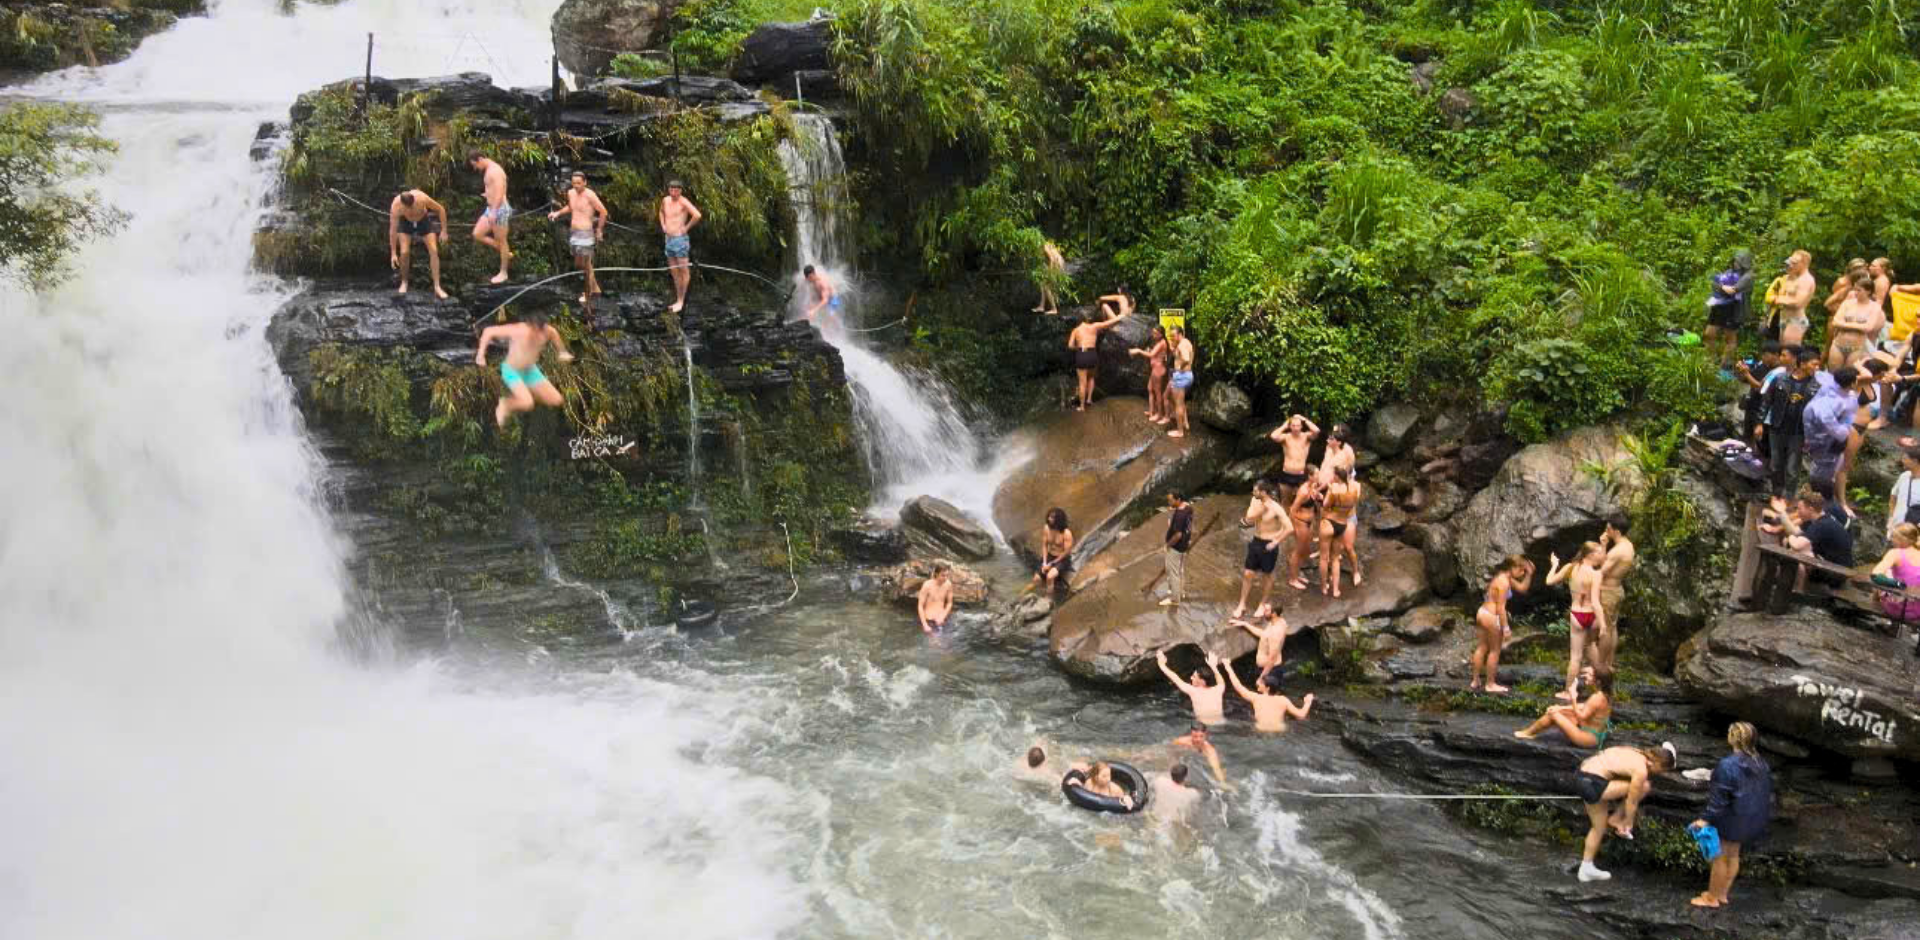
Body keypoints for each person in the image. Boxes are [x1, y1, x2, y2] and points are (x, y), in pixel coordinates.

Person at [1690, 723, 1772, 909]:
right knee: (1734, 855)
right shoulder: (1761, 762)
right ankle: (1722, 894)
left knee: (1719, 856)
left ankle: (1711, 898)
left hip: (1732, 817)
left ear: (1733, 738)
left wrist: (1704, 819)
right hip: (1753, 817)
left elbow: (1718, 800)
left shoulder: (1727, 765)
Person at [1572, 743, 1678, 882]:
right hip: (1593, 783)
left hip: (1580, 776)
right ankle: (1617, 819)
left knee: (1598, 828)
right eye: (1662, 770)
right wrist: (1628, 823)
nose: (1661, 773)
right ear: (1656, 763)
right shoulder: (1641, 770)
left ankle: (1586, 868)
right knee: (1645, 786)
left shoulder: (1634, 751)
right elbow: (1632, 801)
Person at [474, 311, 574, 427]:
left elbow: (554, 334)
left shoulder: (547, 330)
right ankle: (505, 404)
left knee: (556, 400)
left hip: (530, 370)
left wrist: (562, 352)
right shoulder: (519, 330)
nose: (538, 334)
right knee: (527, 403)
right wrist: (480, 355)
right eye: (535, 330)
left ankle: (525, 394)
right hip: (512, 371)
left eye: (541, 330)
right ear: (530, 326)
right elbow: (488, 331)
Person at [1544, 542, 1607, 703]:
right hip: (1592, 615)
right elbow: (1595, 602)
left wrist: (1554, 565)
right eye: (1599, 553)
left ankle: (1568, 692)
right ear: (1590, 555)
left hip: (1577, 615)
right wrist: (1602, 624)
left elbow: (1549, 581)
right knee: (1591, 646)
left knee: (1576, 657)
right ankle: (1603, 689)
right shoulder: (1595, 574)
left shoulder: (1570, 568)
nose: (1601, 556)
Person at [1763, 347, 1822, 496]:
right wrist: (1759, 424)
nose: (1817, 368)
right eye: (1814, 364)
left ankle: (1788, 497)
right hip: (1777, 428)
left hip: (1798, 433)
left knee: (1792, 468)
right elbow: (1767, 401)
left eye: (1818, 365)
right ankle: (1776, 494)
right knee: (1776, 464)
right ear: (1802, 364)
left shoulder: (1817, 386)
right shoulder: (1781, 379)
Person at [1472, 555, 1535, 694]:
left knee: (1482, 647)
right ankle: (1490, 684)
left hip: (1482, 612)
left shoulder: (1503, 576)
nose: (1522, 572)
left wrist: (1529, 574)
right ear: (1512, 567)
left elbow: (1522, 588)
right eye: (1521, 569)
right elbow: (1501, 608)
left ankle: (1475, 680)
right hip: (1492, 616)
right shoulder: (1504, 582)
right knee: (1495, 651)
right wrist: (1506, 627)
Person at [1233, 479, 1292, 618]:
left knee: (1267, 575)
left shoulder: (1276, 508)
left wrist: (1276, 541)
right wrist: (1261, 509)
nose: (1253, 492)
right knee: (1248, 573)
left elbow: (1289, 528)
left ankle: (1262, 603)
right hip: (1256, 541)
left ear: (1264, 492)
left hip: (1269, 544)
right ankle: (1242, 604)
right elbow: (1249, 519)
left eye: (1255, 490)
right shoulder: (1255, 501)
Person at [547, 172, 609, 305]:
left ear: (585, 182)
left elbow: (603, 211)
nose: (576, 185)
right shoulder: (571, 193)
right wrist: (557, 213)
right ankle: (595, 288)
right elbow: (571, 207)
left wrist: (599, 230)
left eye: (579, 183)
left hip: (586, 233)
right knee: (579, 264)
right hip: (574, 233)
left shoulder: (590, 195)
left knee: (586, 265)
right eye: (574, 183)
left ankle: (588, 293)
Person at [1771, 492, 1854, 590]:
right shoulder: (1821, 518)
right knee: (1799, 549)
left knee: (1796, 552)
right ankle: (1793, 586)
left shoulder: (1822, 524)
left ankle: (1796, 590)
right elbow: (1796, 533)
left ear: (1810, 509)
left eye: (1800, 509)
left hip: (1837, 573)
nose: (1797, 512)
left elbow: (1797, 545)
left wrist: (1789, 536)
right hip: (1836, 567)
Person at [1514, 668, 1614, 748]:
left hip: (1587, 739)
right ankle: (1530, 732)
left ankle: (1527, 733)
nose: (1586, 676)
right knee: (1560, 712)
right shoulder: (1604, 694)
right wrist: (1561, 708)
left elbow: (1581, 717)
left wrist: (1573, 697)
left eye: (1591, 675)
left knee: (1552, 714)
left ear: (1598, 681)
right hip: (1594, 733)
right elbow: (1585, 706)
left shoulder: (1596, 697)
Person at [387, 188, 449, 299]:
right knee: (404, 252)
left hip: (423, 221)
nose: (411, 208)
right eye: (408, 207)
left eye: (412, 205)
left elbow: (440, 209)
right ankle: (404, 282)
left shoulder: (422, 198)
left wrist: (444, 231)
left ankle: (437, 286)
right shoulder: (396, 206)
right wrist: (393, 253)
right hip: (405, 223)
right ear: (402, 204)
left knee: (434, 251)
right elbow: (393, 230)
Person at [1703, 250, 1756, 371]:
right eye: (1735, 260)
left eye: (1738, 261)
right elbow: (1714, 284)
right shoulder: (1729, 272)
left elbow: (1733, 290)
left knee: (1730, 338)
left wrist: (1721, 287)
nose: (1736, 263)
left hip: (1734, 309)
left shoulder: (1748, 276)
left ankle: (1724, 366)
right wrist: (1721, 287)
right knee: (1709, 334)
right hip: (1719, 306)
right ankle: (1711, 362)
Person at [466, 151, 513, 284]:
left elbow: (500, 192)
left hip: (499, 210)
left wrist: (494, 212)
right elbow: (494, 189)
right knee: (477, 234)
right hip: (491, 209)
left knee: (502, 241)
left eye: (475, 165)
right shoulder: (489, 170)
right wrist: (488, 194)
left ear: (480, 159)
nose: (475, 168)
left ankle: (503, 273)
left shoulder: (495, 171)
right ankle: (506, 253)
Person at [1066, 305, 1124, 412]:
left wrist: (1079, 347)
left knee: (1082, 382)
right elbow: (1110, 323)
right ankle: (1089, 399)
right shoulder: (1094, 326)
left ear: (1078, 320)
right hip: (1092, 354)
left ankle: (1082, 407)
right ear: (1087, 319)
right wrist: (1121, 316)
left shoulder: (1075, 330)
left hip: (1082, 354)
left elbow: (1070, 346)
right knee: (1091, 377)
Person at [1225, 664, 1314, 733]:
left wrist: (1228, 667)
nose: (1258, 683)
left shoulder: (1256, 698)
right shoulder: (1283, 700)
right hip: (1279, 730)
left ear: (1267, 688)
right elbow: (1301, 715)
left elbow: (1238, 686)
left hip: (1261, 729)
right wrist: (1308, 702)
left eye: (1261, 683)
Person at [1596, 520, 1635, 674]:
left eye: (1608, 529)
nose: (1606, 531)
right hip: (1617, 589)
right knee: (1612, 627)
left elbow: (1602, 571)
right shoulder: (1628, 545)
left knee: (1605, 629)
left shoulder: (1618, 551)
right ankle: (1609, 663)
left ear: (1616, 531)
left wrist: (1603, 547)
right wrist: (1604, 545)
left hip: (1608, 592)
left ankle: (1600, 666)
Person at [1732, 341, 1787, 447]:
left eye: (1766, 355)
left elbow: (1760, 388)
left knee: (1758, 441)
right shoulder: (1762, 366)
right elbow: (1745, 380)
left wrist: (1746, 373)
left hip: (1762, 410)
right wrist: (1741, 370)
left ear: (1776, 355)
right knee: (1747, 437)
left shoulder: (1779, 371)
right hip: (1751, 405)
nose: (1763, 357)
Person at [1319, 466, 1363, 597]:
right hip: (1342, 521)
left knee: (1341, 550)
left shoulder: (1337, 488)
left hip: (1339, 520)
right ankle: (1335, 588)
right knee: (1335, 557)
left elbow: (1326, 505)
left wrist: (1327, 494)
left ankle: (1325, 586)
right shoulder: (1353, 488)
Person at [659, 180, 702, 313]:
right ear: (669, 189)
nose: (673, 192)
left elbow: (697, 215)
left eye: (676, 190)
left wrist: (686, 227)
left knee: (683, 271)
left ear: (680, 191)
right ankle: (678, 299)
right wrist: (663, 225)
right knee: (674, 271)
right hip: (668, 239)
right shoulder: (665, 200)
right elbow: (661, 212)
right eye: (671, 189)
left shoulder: (683, 202)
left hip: (680, 240)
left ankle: (681, 301)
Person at [1156, 649, 1226, 726]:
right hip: (1221, 725)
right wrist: (1213, 666)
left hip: (1204, 727)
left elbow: (1175, 678)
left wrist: (1161, 665)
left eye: (1194, 676)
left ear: (1202, 681)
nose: (1191, 678)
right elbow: (1220, 680)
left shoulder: (1194, 691)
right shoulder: (1218, 689)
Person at [1827, 275, 1879, 368]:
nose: (1855, 292)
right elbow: (1835, 322)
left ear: (1868, 291)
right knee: (1833, 372)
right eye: (1855, 289)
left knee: (1850, 373)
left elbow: (1868, 328)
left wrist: (1844, 324)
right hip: (1838, 344)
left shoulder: (1874, 307)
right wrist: (1858, 326)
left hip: (1857, 348)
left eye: (1859, 290)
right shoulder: (1848, 303)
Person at [1871, 523, 1920, 622]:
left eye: (1893, 536)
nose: (1891, 539)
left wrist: (1897, 584)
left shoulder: (1895, 553)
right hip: (1917, 611)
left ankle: (1874, 604)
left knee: (1885, 574)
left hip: (1897, 610)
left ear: (1901, 540)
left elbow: (1875, 575)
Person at [1285, 472, 1323, 592]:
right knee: (1298, 551)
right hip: (1300, 522)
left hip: (1309, 522)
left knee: (1306, 550)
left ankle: (1297, 573)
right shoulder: (1303, 491)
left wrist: (1318, 496)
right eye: (1316, 474)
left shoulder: (1313, 486)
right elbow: (1292, 510)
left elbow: (1313, 502)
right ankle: (1292, 579)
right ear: (1309, 476)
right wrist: (1293, 526)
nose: (1319, 476)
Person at [1267, 415, 1320, 499]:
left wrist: (1304, 419)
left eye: (1298, 425)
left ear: (1301, 426)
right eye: (1293, 425)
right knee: (1285, 500)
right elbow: (1273, 436)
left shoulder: (1306, 436)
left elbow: (1316, 431)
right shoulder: (1286, 437)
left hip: (1301, 475)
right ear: (1290, 427)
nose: (1296, 428)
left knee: (1303, 500)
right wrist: (1285, 425)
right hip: (1286, 473)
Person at [1774, 250, 1819, 349]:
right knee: (1782, 351)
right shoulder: (1792, 277)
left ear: (1804, 264)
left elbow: (1798, 303)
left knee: (1789, 352)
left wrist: (1779, 300)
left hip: (1795, 321)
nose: (1791, 265)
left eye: (1794, 263)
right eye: (1791, 262)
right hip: (1784, 319)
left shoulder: (1806, 280)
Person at [1235, 605, 1288, 686]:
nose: (1263, 612)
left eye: (1266, 610)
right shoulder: (1276, 622)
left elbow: (1272, 658)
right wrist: (1245, 624)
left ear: (1274, 613)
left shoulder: (1276, 631)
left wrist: (1261, 678)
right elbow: (1265, 635)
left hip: (1270, 672)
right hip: (1268, 670)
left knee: (1264, 693)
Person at [1128, 325, 1172, 425]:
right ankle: (1152, 411)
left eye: (1155, 333)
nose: (1153, 335)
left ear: (1161, 334)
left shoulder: (1162, 342)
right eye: (1153, 332)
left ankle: (1159, 414)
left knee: (1157, 393)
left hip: (1158, 370)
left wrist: (1138, 350)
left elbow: (1151, 355)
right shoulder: (1158, 342)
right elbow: (1153, 353)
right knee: (1150, 389)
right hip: (1155, 369)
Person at [1028, 508, 1074, 596]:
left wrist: (1052, 564)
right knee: (1036, 579)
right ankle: (1037, 594)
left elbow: (1066, 552)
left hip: (1062, 559)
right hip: (1050, 556)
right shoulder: (1047, 528)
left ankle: (1048, 599)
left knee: (1050, 577)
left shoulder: (1066, 533)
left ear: (1058, 519)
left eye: (1052, 517)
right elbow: (1044, 546)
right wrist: (1044, 562)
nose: (1049, 519)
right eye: (1049, 516)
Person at [1160, 490, 1194, 607]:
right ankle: (1181, 592)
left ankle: (1175, 599)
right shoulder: (1188, 508)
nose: (1169, 502)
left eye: (1171, 500)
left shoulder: (1180, 515)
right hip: (1184, 544)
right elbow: (1188, 526)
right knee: (1180, 570)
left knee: (1173, 572)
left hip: (1176, 547)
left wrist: (1167, 545)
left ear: (1178, 500)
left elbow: (1178, 535)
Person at [1170, 721, 1228, 787]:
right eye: (1195, 736)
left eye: (1201, 736)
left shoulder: (1209, 750)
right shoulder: (1181, 741)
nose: (1198, 739)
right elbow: (1171, 750)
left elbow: (1216, 768)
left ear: (1205, 735)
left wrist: (1222, 782)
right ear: (1191, 734)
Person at [1885, 446, 1920, 539]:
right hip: (1895, 529)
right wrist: (1891, 517)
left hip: (1913, 534)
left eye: (1905, 458)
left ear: (1915, 461)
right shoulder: (1904, 476)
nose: (1902, 460)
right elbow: (1893, 497)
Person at [1166, 326, 1194, 438]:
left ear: (1180, 334)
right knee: (1180, 401)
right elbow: (1182, 356)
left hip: (1181, 376)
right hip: (1188, 375)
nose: (1172, 338)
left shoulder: (1181, 345)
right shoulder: (1186, 342)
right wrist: (1174, 350)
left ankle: (1180, 431)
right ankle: (1185, 423)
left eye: (1173, 336)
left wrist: (1179, 367)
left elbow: (1186, 359)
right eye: (1171, 336)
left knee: (1178, 404)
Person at [802, 264, 842, 332]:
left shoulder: (822, 282)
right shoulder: (810, 280)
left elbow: (825, 300)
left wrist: (814, 310)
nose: (808, 280)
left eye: (810, 277)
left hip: (833, 300)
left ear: (813, 273)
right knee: (809, 307)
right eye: (807, 278)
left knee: (830, 314)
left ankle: (838, 328)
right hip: (822, 298)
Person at [916, 562, 954, 634]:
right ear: (936, 574)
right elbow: (920, 606)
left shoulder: (948, 584)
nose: (945, 578)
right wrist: (925, 625)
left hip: (942, 619)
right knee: (936, 640)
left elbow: (949, 603)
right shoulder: (927, 585)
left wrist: (943, 616)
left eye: (947, 575)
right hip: (929, 620)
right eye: (943, 575)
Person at [1034, 239, 1065, 315]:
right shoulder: (1039, 247)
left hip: (1057, 264)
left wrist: (1049, 273)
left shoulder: (1043, 245)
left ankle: (1054, 309)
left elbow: (1051, 259)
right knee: (1042, 284)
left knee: (1047, 286)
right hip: (1055, 264)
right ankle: (1041, 306)